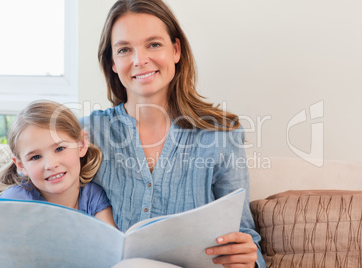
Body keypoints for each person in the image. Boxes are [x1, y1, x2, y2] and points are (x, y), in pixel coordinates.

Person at [81, 0, 265, 267]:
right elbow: (16, 187)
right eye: (124, 49)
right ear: (112, 62)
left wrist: (248, 258)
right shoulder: (87, 133)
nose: (139, 60)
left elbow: (244, 236)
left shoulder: (221, 136)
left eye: (154, 44)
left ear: (176, 50)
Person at [0, 100, 117, 264]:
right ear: (21, 165)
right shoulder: (17, 201)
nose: (51, 165)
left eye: (60, 149)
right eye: (35, 157)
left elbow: (113, 249)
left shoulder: (93, 196)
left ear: (82, 144)